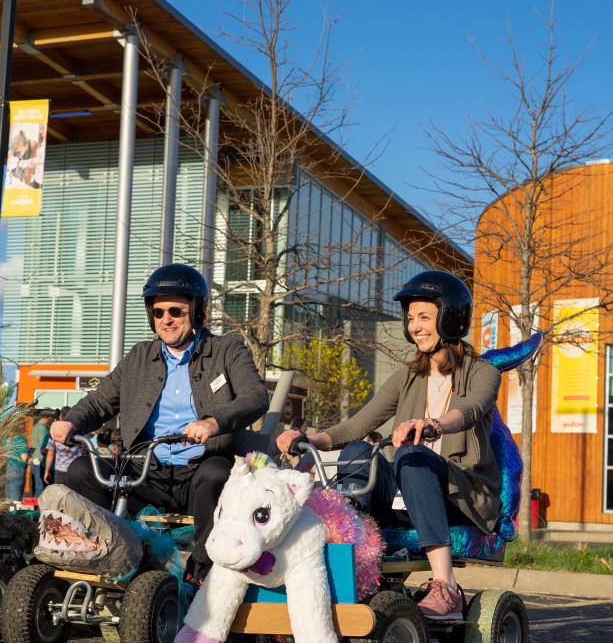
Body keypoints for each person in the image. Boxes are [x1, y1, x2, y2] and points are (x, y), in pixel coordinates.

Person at [277, 270, 501, 620]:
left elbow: (469, 411)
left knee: (411, 455)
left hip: (461, 495)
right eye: (410, 319)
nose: (415, 327)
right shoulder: (407, 377)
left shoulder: (484, 372)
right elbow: (355, 426)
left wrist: (432, 425)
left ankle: (446, 586)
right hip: (407, 491)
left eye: (424, 317)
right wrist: (310, 439)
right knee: (356, 453)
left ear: (450, 319)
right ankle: (351, 562)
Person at [50, 263, 269, 583]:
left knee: (216, 472)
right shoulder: (140, 356)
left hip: (202, 471)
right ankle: (107, 555)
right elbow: (99, 401)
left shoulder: (227, 350)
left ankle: (204, 570)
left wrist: (212, 421)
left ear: (197, 312)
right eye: (158, 311)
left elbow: (255, 397)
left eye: (176, 311)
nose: (166, 319)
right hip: (146, 470)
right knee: (82, 470)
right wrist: (71, 423)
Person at [45, 406, 84, 486]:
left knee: (60, 496)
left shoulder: (56, 432)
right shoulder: (79, 431)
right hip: (76, 470)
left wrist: (47, 471)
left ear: (60, 416)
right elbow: (84, 451)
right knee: (74, 496)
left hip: (60, 470)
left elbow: (50, 454)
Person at [30, 408, 54, 497]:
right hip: (40, 459)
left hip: (34, 458)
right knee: (40, 487)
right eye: (51, 417)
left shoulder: (36, 426)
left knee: (36, 486)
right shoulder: (43, 429)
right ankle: (39, 509)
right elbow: (44, 447)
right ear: (48, 417)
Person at [3, 418, 29, 501]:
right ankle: (14, 514)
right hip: (18, 468)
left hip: (8, 467)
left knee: (8, 498)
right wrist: (29, 455)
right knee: (15, 499)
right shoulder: (20, 438)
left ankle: (8, 513)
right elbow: (24, 457)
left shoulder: (6, 439)